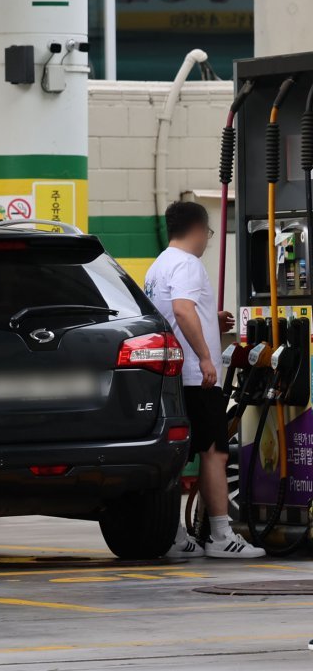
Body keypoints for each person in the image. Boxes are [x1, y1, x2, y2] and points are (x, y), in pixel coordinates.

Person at [145, 201, 264, 559]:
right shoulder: (188, 264)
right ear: (198, 229)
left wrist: (210, 318)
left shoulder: (159, 265)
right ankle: (220, 535)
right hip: (196, 376)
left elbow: (172, 310)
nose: (206, 241)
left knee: (176, 455)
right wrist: (206, 357)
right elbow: (182, 310)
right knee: (214, 452)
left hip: (171, 376)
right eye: (208, 234)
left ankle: (177, 535)